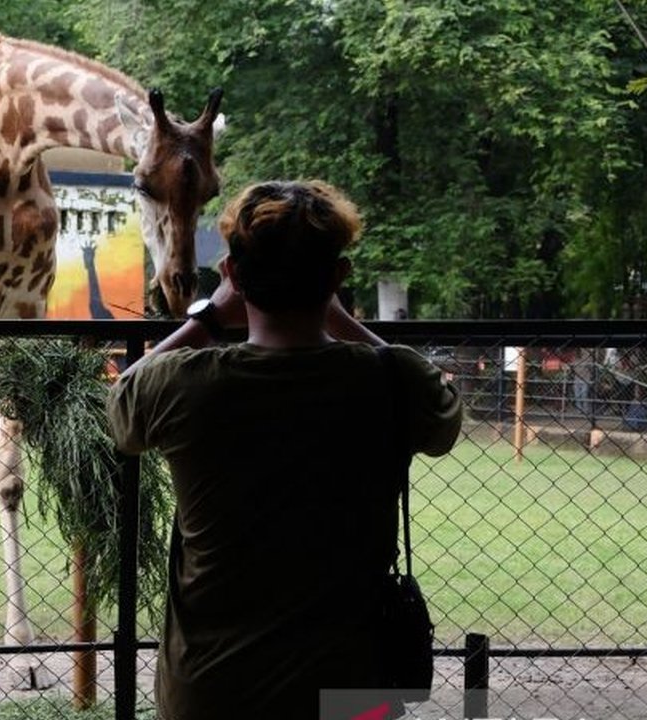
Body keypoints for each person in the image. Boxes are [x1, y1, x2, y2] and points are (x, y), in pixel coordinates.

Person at [106, 180, 463, 720]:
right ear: (338, 277)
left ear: (232, 275)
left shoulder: (185, 384)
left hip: (211, 690)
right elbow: (442, 417)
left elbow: (121, 405)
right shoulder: (389, 381)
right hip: (353, 689)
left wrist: (205, 319)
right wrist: (340, 318)